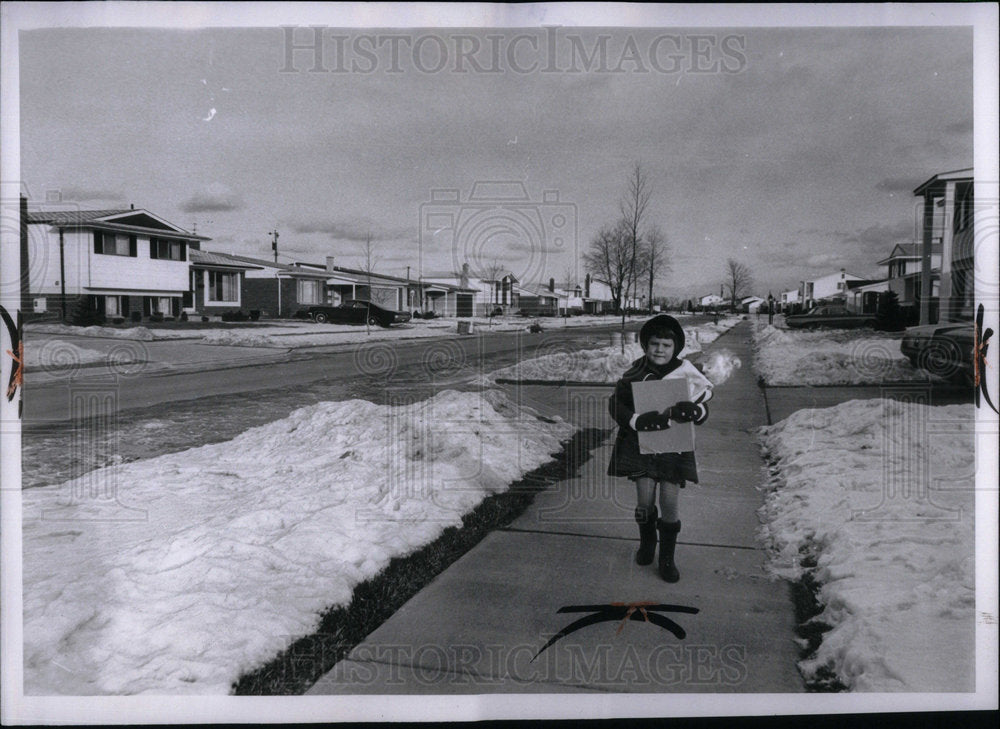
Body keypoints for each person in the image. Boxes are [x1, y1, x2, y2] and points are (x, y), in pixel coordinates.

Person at [607, 314, 714, 582]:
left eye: (666, 345)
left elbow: (704, 399)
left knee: (669, 502)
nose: (660, 350)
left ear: (675, 347)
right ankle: (647, 543)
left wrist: (697, 410)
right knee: (645, 501)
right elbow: (616, 403)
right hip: (641, 443)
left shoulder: (686, 371)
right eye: (655, 343)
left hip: (673, 447)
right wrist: (634, 419)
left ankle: (667, 559)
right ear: (646, 345)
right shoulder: (636, 372)